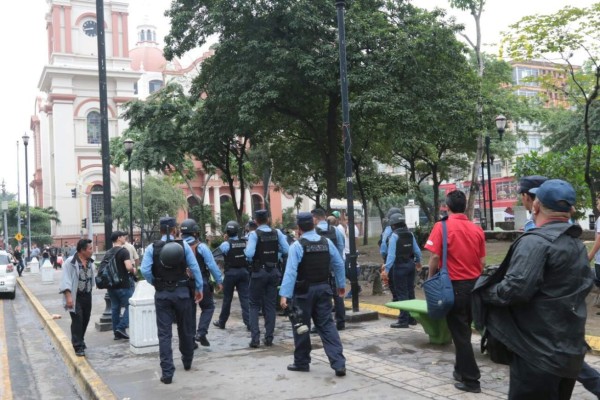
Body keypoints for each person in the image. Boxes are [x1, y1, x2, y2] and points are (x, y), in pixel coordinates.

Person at [480, 179, 593, 399]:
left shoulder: (535, 242)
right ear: (570, 209)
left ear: (536, 206)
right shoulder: (576, 244)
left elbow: (514, 290)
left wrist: (485, 290)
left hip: (536, 355)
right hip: (567, 353)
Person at [425, 190, 485, 393]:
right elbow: (483, 262)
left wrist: (430, 278)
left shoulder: (442, 226)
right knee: (464, 330)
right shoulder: (477, 229)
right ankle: (460, 371)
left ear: (447, 207)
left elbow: (434, 257)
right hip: (474, 286)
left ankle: (471, 380)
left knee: (460, 335)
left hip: (454, 287)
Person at [279, 212, 347, 377]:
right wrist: (341, 285)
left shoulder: (297, 246)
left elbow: (291, 272)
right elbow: (338, 263)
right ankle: (339, 364)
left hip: (303, 293)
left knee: (301, 326)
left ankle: (302, 362)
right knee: (327, 326)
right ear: (313, 225)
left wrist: (284, 295)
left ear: (299, 228)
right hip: (323, 290)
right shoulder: (327, 242)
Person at [141, 217, 204, 384]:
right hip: (182, 292)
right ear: (175, 229)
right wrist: (199, 288)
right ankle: (187, 360)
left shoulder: (151, 248)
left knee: (164, 334)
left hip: (162, 294)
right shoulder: (183, 246)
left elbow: (145, 270)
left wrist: (155, 282)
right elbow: (195, 268)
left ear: (160, 229)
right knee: (186, 328)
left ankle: (167, 373)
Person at [244, 209, 289, 348]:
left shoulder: (254, 234)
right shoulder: (277, 233)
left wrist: (246, 252)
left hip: (258, 273)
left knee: (253, 304)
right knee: (269, 306)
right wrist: (277, 253)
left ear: (256, 221)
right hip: (274, 271)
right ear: (268, 220)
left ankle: (255, 339)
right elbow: (287, 249)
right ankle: (269, 338)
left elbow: (250, 254)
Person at [180, 218, 223, 347]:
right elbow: (212, 265)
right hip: (202, 282)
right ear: (195, 233)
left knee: (190, 312)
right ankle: (201, 332)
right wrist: (219, 281)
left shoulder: (177, 245)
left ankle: (192, 340)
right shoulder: (201, 247)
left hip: (184, 285)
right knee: (208, 307)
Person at [384, 214, 422, 328]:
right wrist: (418, 261)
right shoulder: (410, 234)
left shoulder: (394, 236)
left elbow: (391, 256)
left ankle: (403, 320)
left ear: (393, 225)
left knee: (402, 294)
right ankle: (412, 318)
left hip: (399, 267)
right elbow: (417, 251)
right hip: (411, 266)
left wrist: (386, 270)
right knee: (411, 292)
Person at [59, 239, 95, 357]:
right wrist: (69, 297)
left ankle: (80, 339)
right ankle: (77, 345)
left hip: (87, 295)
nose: (92, 250)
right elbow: (66, 280)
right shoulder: (70, 262)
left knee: (86, 319)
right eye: (90, 249)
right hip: (75, 296)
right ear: (82, 250)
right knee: (77, 320)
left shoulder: (90, 261)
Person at [312, 208, 346, 331]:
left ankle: (320, 324)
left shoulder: (314, 232)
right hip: (334, 268)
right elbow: (341, 247)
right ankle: (341, 322)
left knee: (321, 298)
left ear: (315, 218)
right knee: (338, 295)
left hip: (319, 270)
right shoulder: (335, 230)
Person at [213, 220, 250, 331]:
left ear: (227, 232)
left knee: (227, 299)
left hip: (230, 274)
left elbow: (215, 255)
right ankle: (249, 323)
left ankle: (222, 322)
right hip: (243, 272)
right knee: (245, 298)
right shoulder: (244, 242)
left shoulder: (226, 244)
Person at [104, 231, 135, 341]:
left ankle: (116, 333)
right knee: (130, 306)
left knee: (115, 308)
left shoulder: (108, 252)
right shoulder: (123, 251)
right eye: (123, 236)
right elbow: (128, 267)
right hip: (123, 284)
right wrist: (133, 269)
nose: (124, 238)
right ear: (118, 238)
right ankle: (121, 328)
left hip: (111, 286)